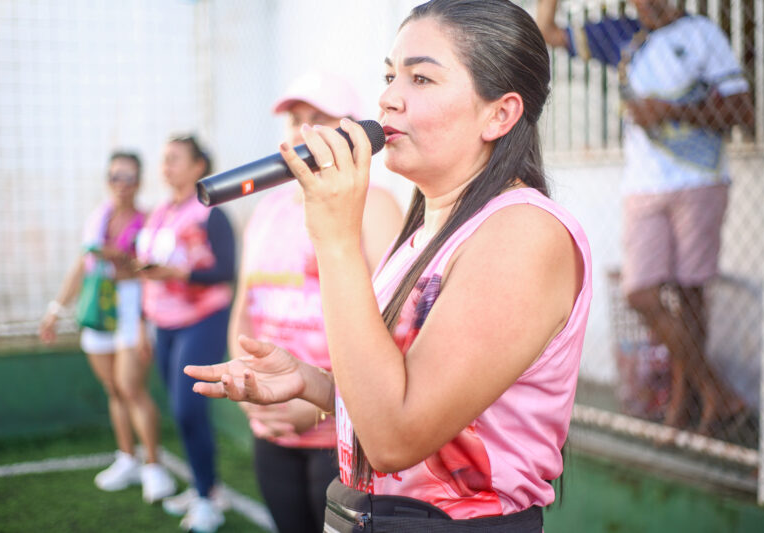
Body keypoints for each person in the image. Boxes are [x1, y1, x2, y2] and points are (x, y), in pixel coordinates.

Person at [187, 0, 592, 530]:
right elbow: (405, 395)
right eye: (389, 75)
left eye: (421, 78)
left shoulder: (523, 234)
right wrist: (313, 382)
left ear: (500, 113)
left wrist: (334, 238)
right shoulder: (426, 232)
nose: (388, 99)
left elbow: (396, 437)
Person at [536, 0, 755, 435]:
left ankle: (684, 406)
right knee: (642, 293)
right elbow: (546, 31)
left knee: (690, 295)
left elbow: (742, 111)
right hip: (643, 187)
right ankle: (717, 392)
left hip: (699, 180)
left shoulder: (702, 35)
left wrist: (671, 111)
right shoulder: (623, 35)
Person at [227, 72, 404, 533]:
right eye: (295, 120)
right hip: (273, 425)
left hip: (344, 435)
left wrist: (320, 398)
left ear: (350, 131)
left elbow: (397, 323)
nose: (303, 132)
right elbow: (245, 304)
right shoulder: (267, 210)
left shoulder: (378, 205)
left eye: (318, 120)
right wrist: (250, 389)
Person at [39, 151, 175, 503]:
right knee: (114, 389)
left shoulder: (148, 221)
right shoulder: (96, 220)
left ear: (140, 182)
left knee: (132, 388)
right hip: (98, 310)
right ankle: (127, 458)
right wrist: (55, 309)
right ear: (107, 179)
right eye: (116, 176)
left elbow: (152, 273)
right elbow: (81, 266)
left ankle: (153, 466)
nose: (122, 184)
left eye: (130, 177)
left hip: (132, 311)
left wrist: (119, 259)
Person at [136, 135, 235, 533]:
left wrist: (178, 273)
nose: (166, 167)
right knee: (182, 411)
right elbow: (149, 272)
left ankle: (208, 499)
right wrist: (146, 323)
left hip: (203, 319)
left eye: (175, 159)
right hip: (164, 324)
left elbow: (226, 269)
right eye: (164, 159)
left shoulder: (211, 210)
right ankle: (205, 487)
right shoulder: (160, 211)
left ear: (199, 166)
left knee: (188, 410)